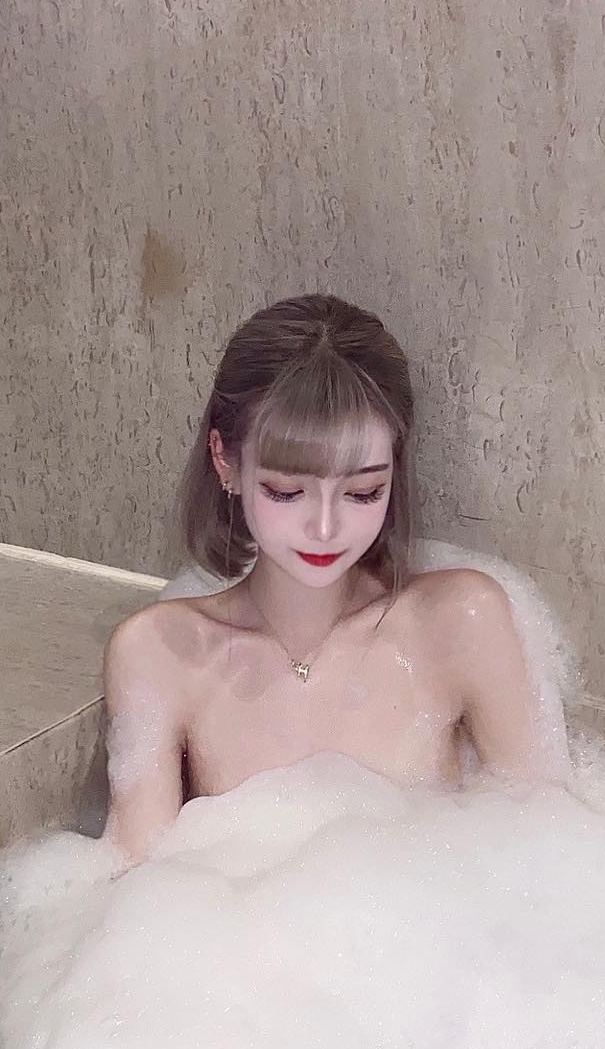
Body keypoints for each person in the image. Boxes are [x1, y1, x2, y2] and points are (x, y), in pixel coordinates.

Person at [103, 293, 562, 863]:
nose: (324, 528)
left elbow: (549, 850)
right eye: (286, 491)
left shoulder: (461, 621)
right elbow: (135, 882)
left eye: (364, 492)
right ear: (225, 461)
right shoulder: (161, 653)